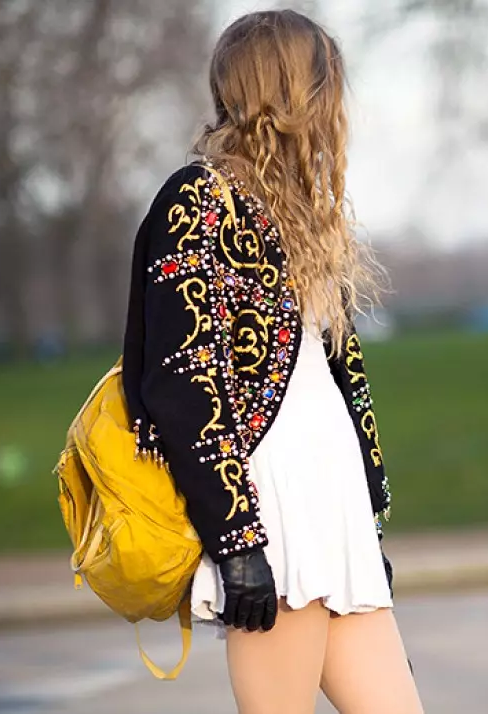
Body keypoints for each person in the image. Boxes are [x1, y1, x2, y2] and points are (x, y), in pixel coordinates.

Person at [122, 9, 425, 714]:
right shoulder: (197, 202)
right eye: (328, 85)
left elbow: (327, 377)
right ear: (295, 92)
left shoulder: (306, 209)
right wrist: (236, 541)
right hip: (271, 516)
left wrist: (364, 517)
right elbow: (180, 384)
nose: (337, 106)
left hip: (333, 509)